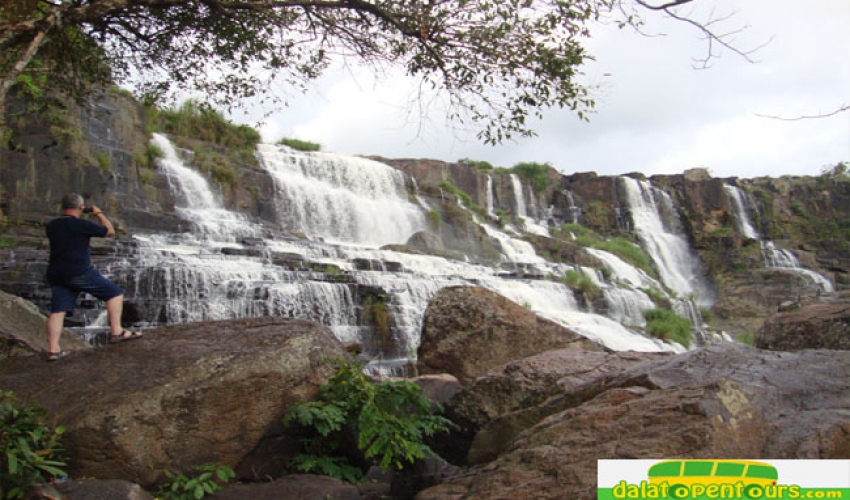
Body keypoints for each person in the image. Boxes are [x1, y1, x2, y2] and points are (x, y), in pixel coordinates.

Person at [44, 193, 143, 361]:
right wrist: (98, 213)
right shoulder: (83, 225)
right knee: (114, 294)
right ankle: (117, 332)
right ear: (81, 208)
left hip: (56, 272)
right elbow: (110, 231)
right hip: (78, 270)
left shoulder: (52, 225)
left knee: (58, 311)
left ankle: (53, 350)